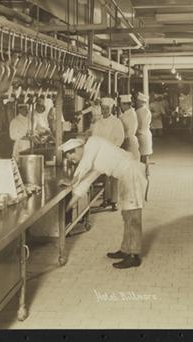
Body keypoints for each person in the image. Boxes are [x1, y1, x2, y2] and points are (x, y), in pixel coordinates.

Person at [60, 136, 148, 269]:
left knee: (133, 217)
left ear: (78, 148)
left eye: (73, 158)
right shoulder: (95, 159)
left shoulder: (93, 143)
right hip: (125, 177)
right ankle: (126, 249)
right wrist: (67, 208)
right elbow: (84, 184)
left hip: (132, 174)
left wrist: (72, 182)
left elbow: (83, 166)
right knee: (127, 215)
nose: (74, 161)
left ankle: (134, 256)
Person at [90, 96, 125, 209]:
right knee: (105, 177)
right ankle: (106, 199)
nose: (104, 111)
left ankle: (114, 201)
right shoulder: (98, 122)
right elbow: (95, 136)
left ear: (111, 109)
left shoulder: (116, 122)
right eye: (103, 108)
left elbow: (120, 137)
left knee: (114, 177)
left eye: (107, 109)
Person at [118, 94, 140, 162]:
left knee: (131, 162)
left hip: (129, 140)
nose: (121, 106)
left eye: (121, 105)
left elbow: (130, 130)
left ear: (126, 105)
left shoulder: (131, 115)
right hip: (127, 139)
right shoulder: (127, 113)